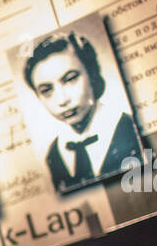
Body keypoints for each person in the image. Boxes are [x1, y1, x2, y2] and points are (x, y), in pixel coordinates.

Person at [23, 30, 142, 194]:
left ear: (92, 74)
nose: (62, 100)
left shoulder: (132, 129)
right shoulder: (54, 155)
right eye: (46, 90)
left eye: (71, 79)